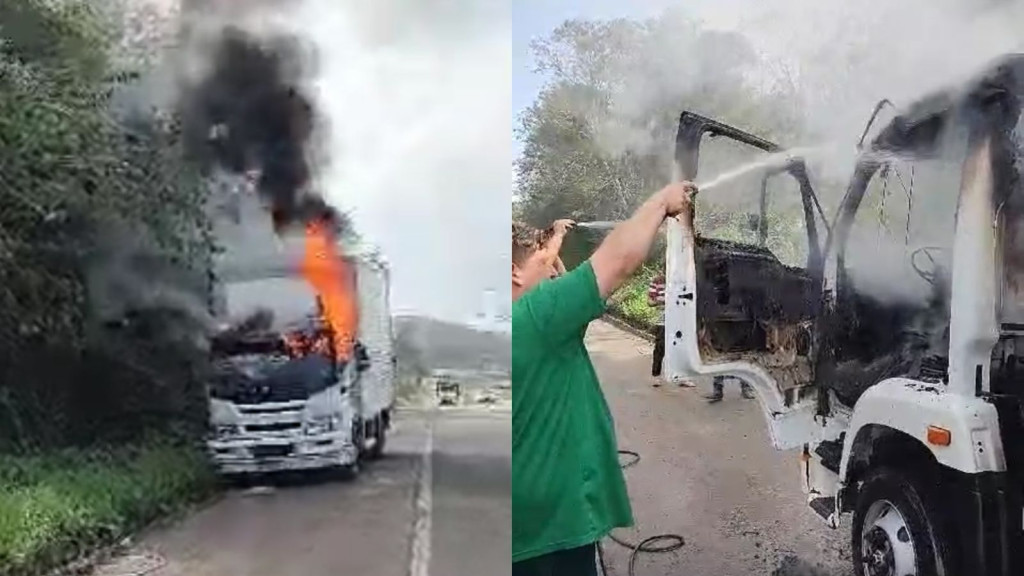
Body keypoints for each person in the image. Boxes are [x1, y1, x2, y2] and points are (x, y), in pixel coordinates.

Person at [512, 181, 696, 576]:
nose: (551, 272)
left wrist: (554, 241)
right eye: (542, 264)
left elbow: (563, 281)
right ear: (514, 272)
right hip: (552, 534)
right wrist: (662, 201)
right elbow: (617, 260)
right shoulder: (534, 318)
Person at [647, 272, 695, 388]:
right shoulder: (658, 282)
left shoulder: (682, 282)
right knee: (660, 348)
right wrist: (664, 301)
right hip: (663, 320)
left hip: (680, 321)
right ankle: (656, 376)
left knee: (682, 349)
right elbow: (650, 302)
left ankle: (682, 377)